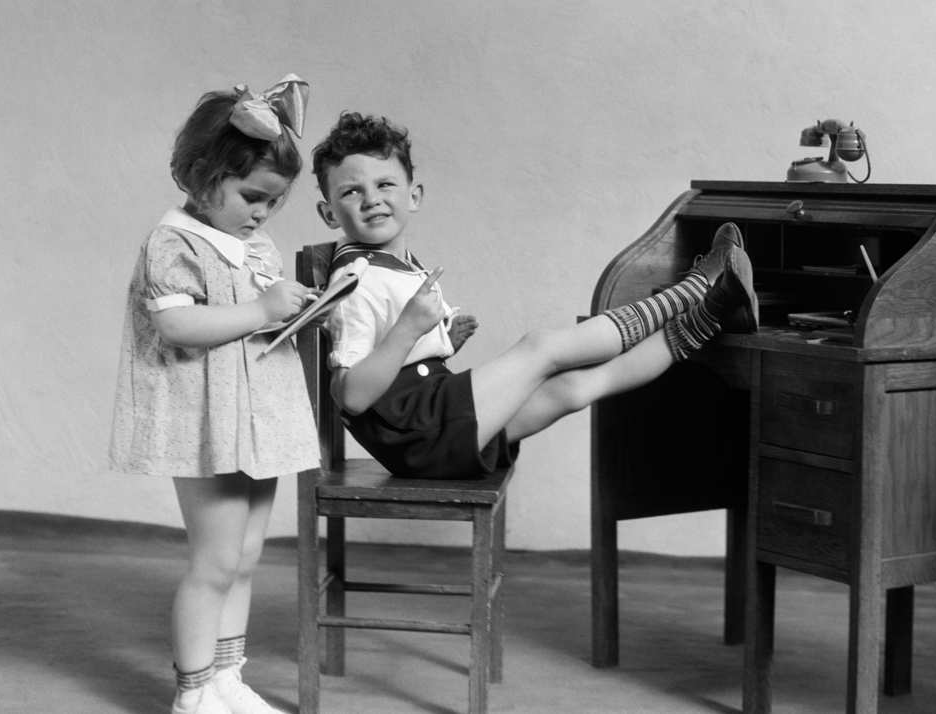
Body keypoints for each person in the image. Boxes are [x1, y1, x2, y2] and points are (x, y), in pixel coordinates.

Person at [312, 111, 757, 480]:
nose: (372, 199)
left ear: (415, 195)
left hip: (423, 424)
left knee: (573, 389)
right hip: (417, 430)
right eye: (352, 191)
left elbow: (399, 351)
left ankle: (713, 313)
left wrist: (443, 339)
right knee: (541, 347)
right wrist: (411, 328)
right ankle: (699, 286)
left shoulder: (395, 263)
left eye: (385, 184)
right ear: (329, 213)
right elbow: (350, 396)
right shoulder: (355, 282)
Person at [109, 75, 319, 714]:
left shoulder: (253, 243)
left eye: (274, 204)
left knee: (246, 556)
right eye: (253, 196)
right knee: (215, 558)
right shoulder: (172, 243)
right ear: (204, 176)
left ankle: (227, 678)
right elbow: (177, 325)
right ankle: (193, 692)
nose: (262, 213)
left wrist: (299, 312)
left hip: (255, 419)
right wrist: (261, 308)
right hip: (208, 420)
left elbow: (257, 316)